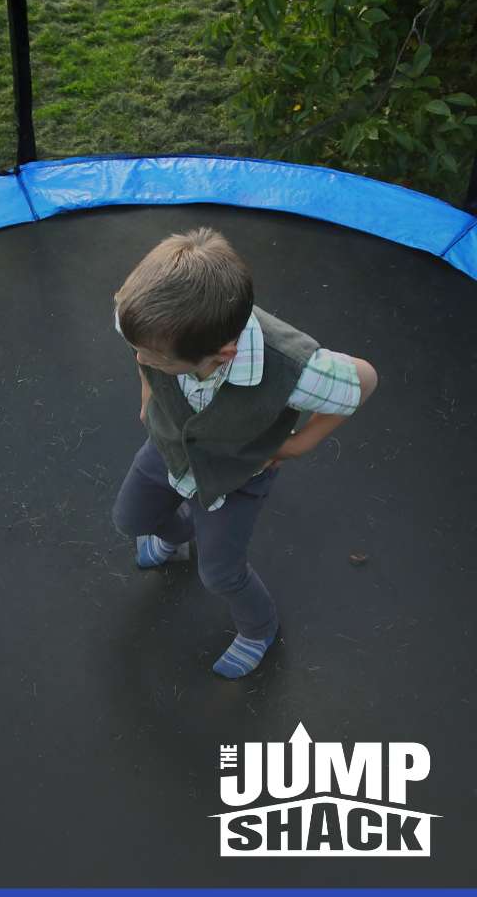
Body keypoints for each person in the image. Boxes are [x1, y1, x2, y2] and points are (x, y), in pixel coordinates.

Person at [110, 227, 378, 679]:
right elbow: (141, 350)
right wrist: (148, 387)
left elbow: (364, 380)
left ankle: (259, 629)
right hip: (169, 450)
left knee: (220, 574)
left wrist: (296, 445)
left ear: (222, 354)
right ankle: (177, 539)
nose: (141, 359)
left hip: (237, 477)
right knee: (130, 520)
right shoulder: (145, 320)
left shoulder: (294, 367)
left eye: (155, 360)